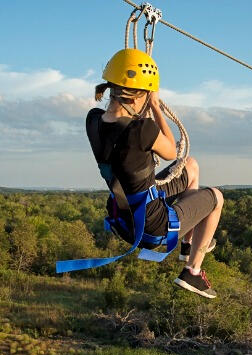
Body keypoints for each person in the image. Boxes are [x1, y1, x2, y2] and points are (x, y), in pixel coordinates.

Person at [88, 49, 223, 298]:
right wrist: (156, 108)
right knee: (216, 197)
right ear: (141, 95)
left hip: (123, 213)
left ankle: (188, 244)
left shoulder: (94, 120)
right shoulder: (143, 128)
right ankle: (192, 271)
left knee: (190, 165)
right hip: (152, 226)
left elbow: (175, 159)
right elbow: (171, 150)